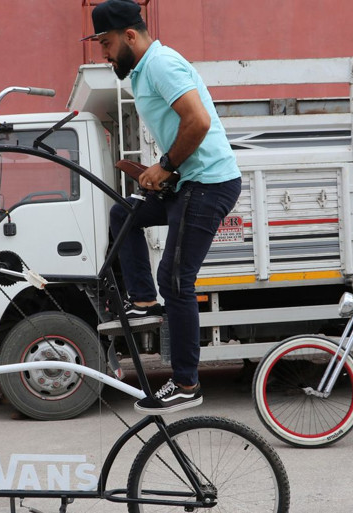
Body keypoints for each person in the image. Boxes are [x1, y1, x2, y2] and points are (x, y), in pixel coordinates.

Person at [83, 0, 242, 414]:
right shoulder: (144, 68)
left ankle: (187, 383)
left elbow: (199, 122)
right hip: (188, 182)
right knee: (124, 214)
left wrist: (166, 165)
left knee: (175, 278)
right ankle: (144, 301)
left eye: (106, 44)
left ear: (130, 36)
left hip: (208, 184)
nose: (103, 53)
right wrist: (162, 173)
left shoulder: (160, 65)